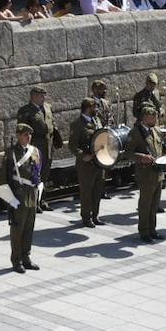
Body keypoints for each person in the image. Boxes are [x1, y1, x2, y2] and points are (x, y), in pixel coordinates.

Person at [0, 124, 42, 271]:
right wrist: (9, 199)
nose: (28, 137)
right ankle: (16, 260)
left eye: (29, 134)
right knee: (18, 230)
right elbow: (2, 178)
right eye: (25, 134)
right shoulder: (11, 153)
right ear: (18, 135)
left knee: (29, 228)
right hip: (19, 194)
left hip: (32, 194)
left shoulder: (35, 151)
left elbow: (37, 173)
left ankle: (26, 257)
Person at [127, 105, 166, 242]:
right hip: (145, 174)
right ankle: (144, 231)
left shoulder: (155, 130)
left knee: (154, 204)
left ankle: (152, 229)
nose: (156, 120)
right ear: (144, 118)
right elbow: (128, 153)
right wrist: (141, 157)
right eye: (153, 117)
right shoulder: (135, 133)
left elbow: (160, 147)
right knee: (145, 204)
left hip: (158, 173)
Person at [71, 89, 110, 227]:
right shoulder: (78, 124)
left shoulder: (97, 120)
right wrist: (83, 156)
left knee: (98, 189)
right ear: (88, 109)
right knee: (86, 192)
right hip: (86, 164)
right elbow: (73, 146)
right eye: (95, 107)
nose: (97, 109)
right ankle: (86, 217)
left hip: (99, 162)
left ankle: (95, 215)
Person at [17, 85, 57, 212]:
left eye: (44, 95)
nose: (43, 98)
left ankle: (42, 199)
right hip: (35, 146)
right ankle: (33, 202)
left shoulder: (47, 107)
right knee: (34, 174)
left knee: (45, 174)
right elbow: (22, 130)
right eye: (40, 95)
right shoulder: (25, 111)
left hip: (48, 146)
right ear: (33, 96)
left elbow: (52, 124)